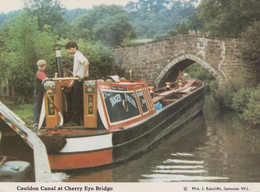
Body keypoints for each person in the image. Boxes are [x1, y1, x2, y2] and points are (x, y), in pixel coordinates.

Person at [65, 41, 90, 125]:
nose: (68, 51)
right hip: (77, 79)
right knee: (76, 99)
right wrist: (72, 81)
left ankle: (76, 121)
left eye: (69, 49)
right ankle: (79, 120)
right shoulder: (76, 56)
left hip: (80, 80)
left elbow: (86, 62)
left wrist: (83, 75)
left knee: (77, 100)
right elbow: (77, 71)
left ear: (74, 47)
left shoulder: (78, 55)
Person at [33, 59, 48, 129]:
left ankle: (40, 122)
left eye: (42, 66)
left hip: (39, 92)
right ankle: (36, 122)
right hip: (39, 93)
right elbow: (46, 80)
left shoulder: (39, 72)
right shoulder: (40, 73)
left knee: (39, 107)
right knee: (38, 107)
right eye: (41, 66)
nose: (42, 67)